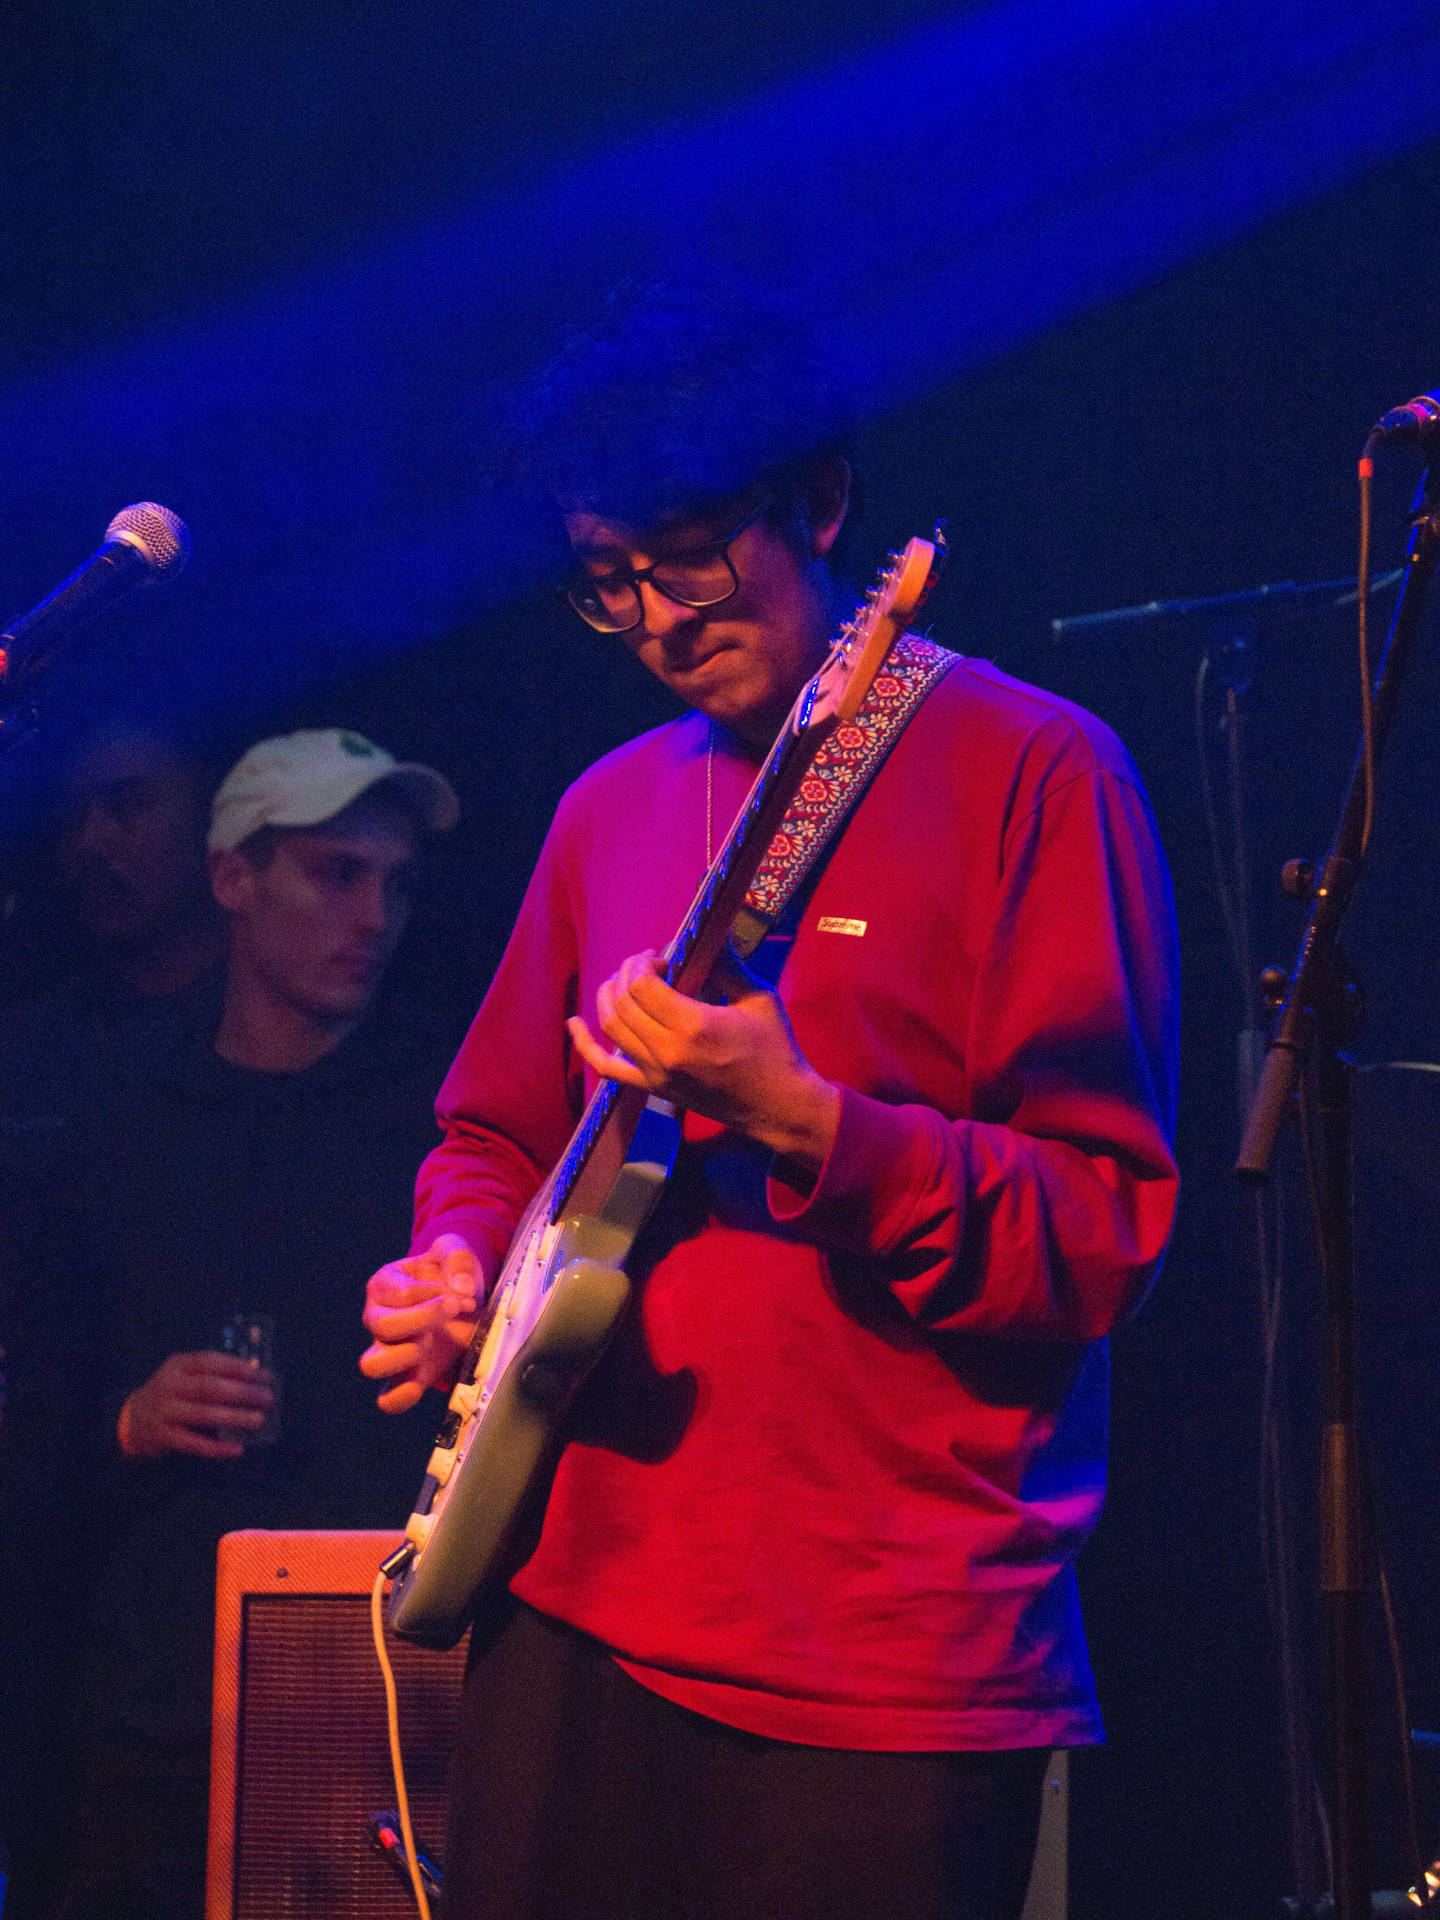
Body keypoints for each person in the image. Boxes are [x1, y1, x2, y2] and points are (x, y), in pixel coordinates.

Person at [361, 276, 1181, 1920]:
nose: (659, 615)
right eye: (610, 584)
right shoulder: (610, 808)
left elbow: (1098, 1233)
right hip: (574, 1596)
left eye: (687, 553)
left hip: (882, 1652)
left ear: (818, 504)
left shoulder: (1036, 771)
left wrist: (813, 1121)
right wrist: (456, 1266)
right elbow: (495, 1131)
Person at [0, 728, 462, 1920]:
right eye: (336, 873)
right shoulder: (118, 1126)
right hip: (153, 1689)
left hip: (370, 1676)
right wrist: (126, 1418)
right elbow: (34, 1410)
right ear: (234, 880)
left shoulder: (440, 1131)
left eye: (396, 882)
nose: (375, 916)